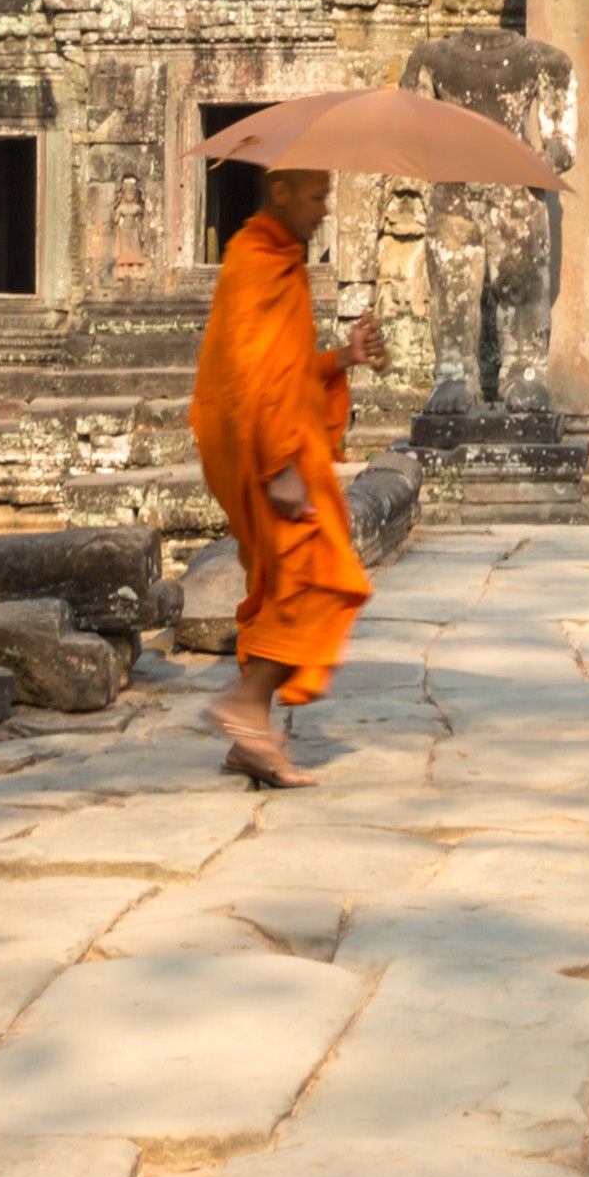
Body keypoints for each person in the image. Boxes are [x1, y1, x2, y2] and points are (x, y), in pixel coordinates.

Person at [192, 162, 381, 786]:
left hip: (277, 442)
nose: (325, 208)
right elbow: (248, 377)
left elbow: (289, 369)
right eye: (319, 194)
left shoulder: (282, 259)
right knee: (323, 574)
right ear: (280, 191)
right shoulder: (253, 261)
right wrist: (277, 468)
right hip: (266, 452)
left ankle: (250, 738)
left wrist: (343, 358)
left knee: (278, 584)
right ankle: (244, 708)